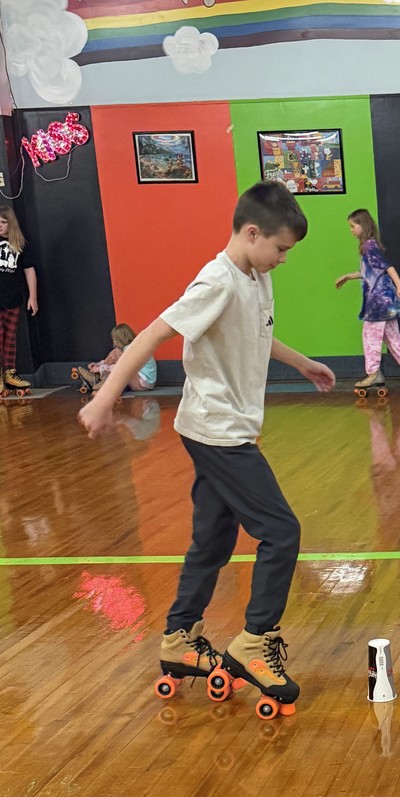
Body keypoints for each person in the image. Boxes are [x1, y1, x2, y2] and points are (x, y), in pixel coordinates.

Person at [79, 180, 336, 715]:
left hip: (222, 428)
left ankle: (179, 639)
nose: (284, 259)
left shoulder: (256, 276)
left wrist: (304, 364)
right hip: (218, 432)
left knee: (213, 541)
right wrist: (105, 397)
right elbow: (151, 335)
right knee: (281, 531)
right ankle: (254, 642)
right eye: (281, 248)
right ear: (251, 233)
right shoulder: (216, 281)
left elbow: (257, 336)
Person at [335, 209, 400, 393]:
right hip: (387, 301)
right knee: (392, 338)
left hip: (378, 302)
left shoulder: (369, 246)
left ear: (363, 225)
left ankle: (373, 374)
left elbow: (388, 267)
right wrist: (347, 276)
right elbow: (368, 272)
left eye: (353, 226)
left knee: (370, 337)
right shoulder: (369, 246)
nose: (351, 230)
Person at [0, 206, 38, 392]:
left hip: (13, 297)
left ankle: (10, 373)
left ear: (11, 224)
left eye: (3, 222)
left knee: (10, 338)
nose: (0, 226)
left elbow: (29, 270)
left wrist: (33, 297)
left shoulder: (20, 244)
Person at [76, 323, 157, 392]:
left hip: (141, 384)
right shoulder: (133, 346)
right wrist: (99, 365)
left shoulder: (131, 350)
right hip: (141, 381)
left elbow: (121, 368)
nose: (114, 342)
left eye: (115, 339)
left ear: (122, 338)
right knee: (117, 352)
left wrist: (100, 368)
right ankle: (96, 377)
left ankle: (101, 379)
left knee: (117, 354)